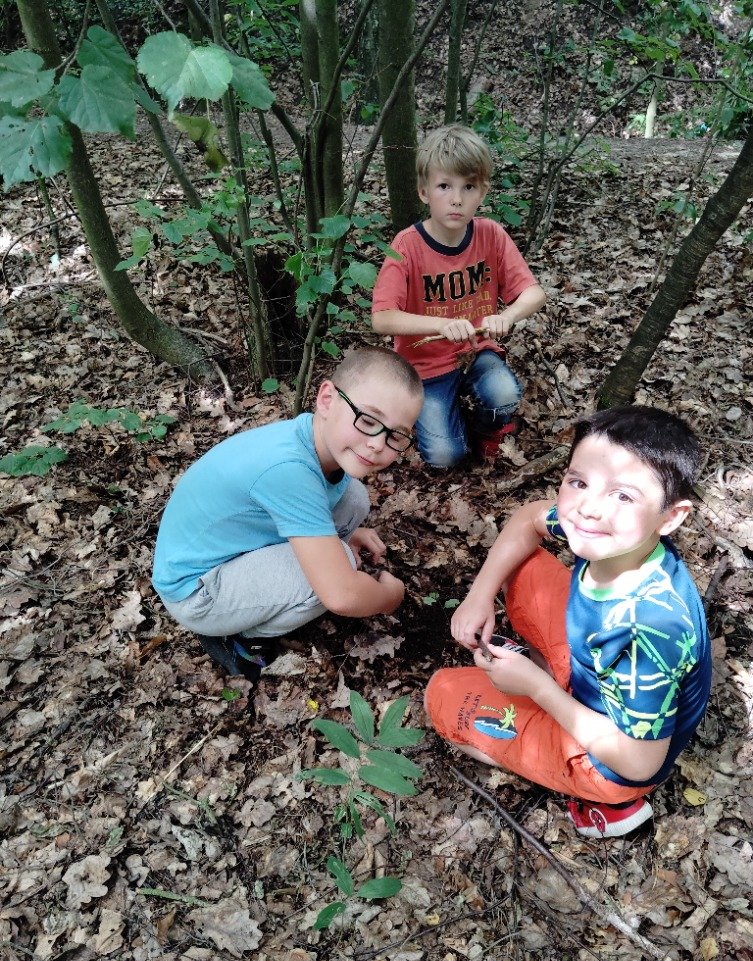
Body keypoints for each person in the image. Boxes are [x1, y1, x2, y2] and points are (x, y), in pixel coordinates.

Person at [425, 405, 712, 837]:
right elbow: (529, 518)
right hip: (593, 674)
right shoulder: (616, 539)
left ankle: (604, 801)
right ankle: (545, 679)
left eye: (623, 496)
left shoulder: (650, 631)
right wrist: (479, 594)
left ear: (671, 516)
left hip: (610, 758)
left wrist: (536, 688)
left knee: (441, 696)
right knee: (523, 565)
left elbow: (639, 761)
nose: (588, 508)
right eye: (579, 482)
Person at [152, 346, 424, 681]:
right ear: (327, 399)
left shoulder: (312, 440)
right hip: (196, 591)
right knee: (336, 570)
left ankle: (290, 578)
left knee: (353, 498)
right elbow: (342, 595)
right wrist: (389, 597)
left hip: (226, 547)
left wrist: (346, 534)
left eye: (395, 435)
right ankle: (239, 636)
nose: (377, 444)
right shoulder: (289, 471)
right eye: (368, 420)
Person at [372, 123, 546, 468]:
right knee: (445, 457)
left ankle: (485, 432)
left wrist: (507, 315)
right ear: (424, 192)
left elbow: (534, 293)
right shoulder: (407, 245)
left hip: (476, 351)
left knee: (503, 393)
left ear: (483, 192)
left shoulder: (490, 235)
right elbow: (382, 318)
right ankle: (447, 426)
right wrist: (441, 324)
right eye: (444, 186)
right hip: (425, 367)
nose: (456, 199)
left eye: (468, 187)